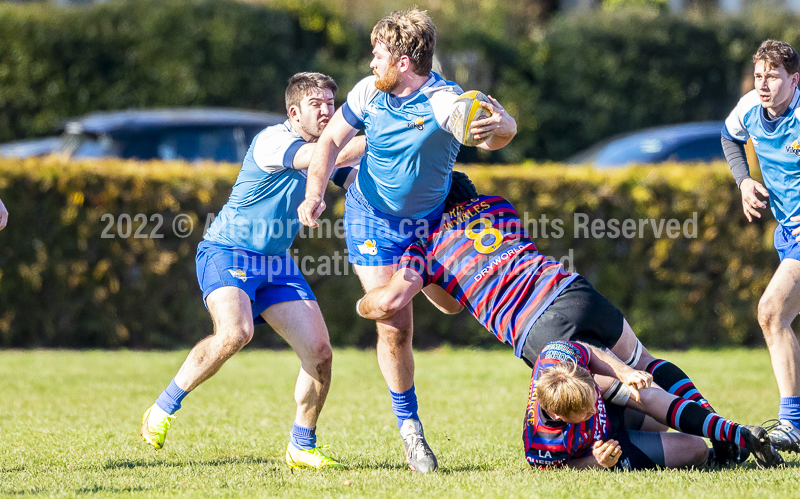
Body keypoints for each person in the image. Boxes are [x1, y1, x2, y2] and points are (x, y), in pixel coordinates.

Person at [356, 172, 753, 465]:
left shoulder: (425, 247)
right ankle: (721, 432)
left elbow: (394, 302)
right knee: (645, 365)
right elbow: (461, 290)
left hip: (537, 327)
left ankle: (617, 450)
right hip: (572, 290)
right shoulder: (497, 207)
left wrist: (366, 299)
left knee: (611, 392)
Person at [296, 9, 517, 473]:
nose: (370, 61)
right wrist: (316, 191)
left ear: (402, 62)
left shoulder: (443, 101)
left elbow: (497, 135)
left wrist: (499, 126)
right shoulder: (367, 92)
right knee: (396, 325)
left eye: (378, 54)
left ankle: (374, 297)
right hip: (371, 217)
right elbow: (331, 139)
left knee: (455, 305)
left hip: (430, 225)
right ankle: (411, 432)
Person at [139, 72, 365, 470]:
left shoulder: (326, 150)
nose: (328, 111)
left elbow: (360, 176)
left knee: (320, 353)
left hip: (277, 263)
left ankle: (301, 445)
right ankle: (162, 408)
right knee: (236, 332)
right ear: (294, 112)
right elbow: (322, 158)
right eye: (318, 105)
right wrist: (387, 133)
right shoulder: (273, 141)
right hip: (228, 253)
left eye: (332, 103)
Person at [526, 341, 781, 470]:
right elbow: (557, 471)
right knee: (696, 449)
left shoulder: (556, 356)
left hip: (616, 416)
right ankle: (716, 454)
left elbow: (588, 352)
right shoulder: (543, 443)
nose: (595, 411)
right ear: (559, 415)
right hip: (607, 447)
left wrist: (623, 371)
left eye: (594, 401)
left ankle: (725, 433)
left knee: (657, 398)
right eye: (586, 413)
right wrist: (598, 461)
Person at [721, 39, 800, 453]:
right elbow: (728, 136)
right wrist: (744, 180)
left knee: (772, 312)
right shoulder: (750, 107)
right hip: (787, 234)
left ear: (794, 79)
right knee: (778, 318)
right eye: (759, 75)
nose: (764, 84)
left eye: (773, 76)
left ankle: (793, 423)